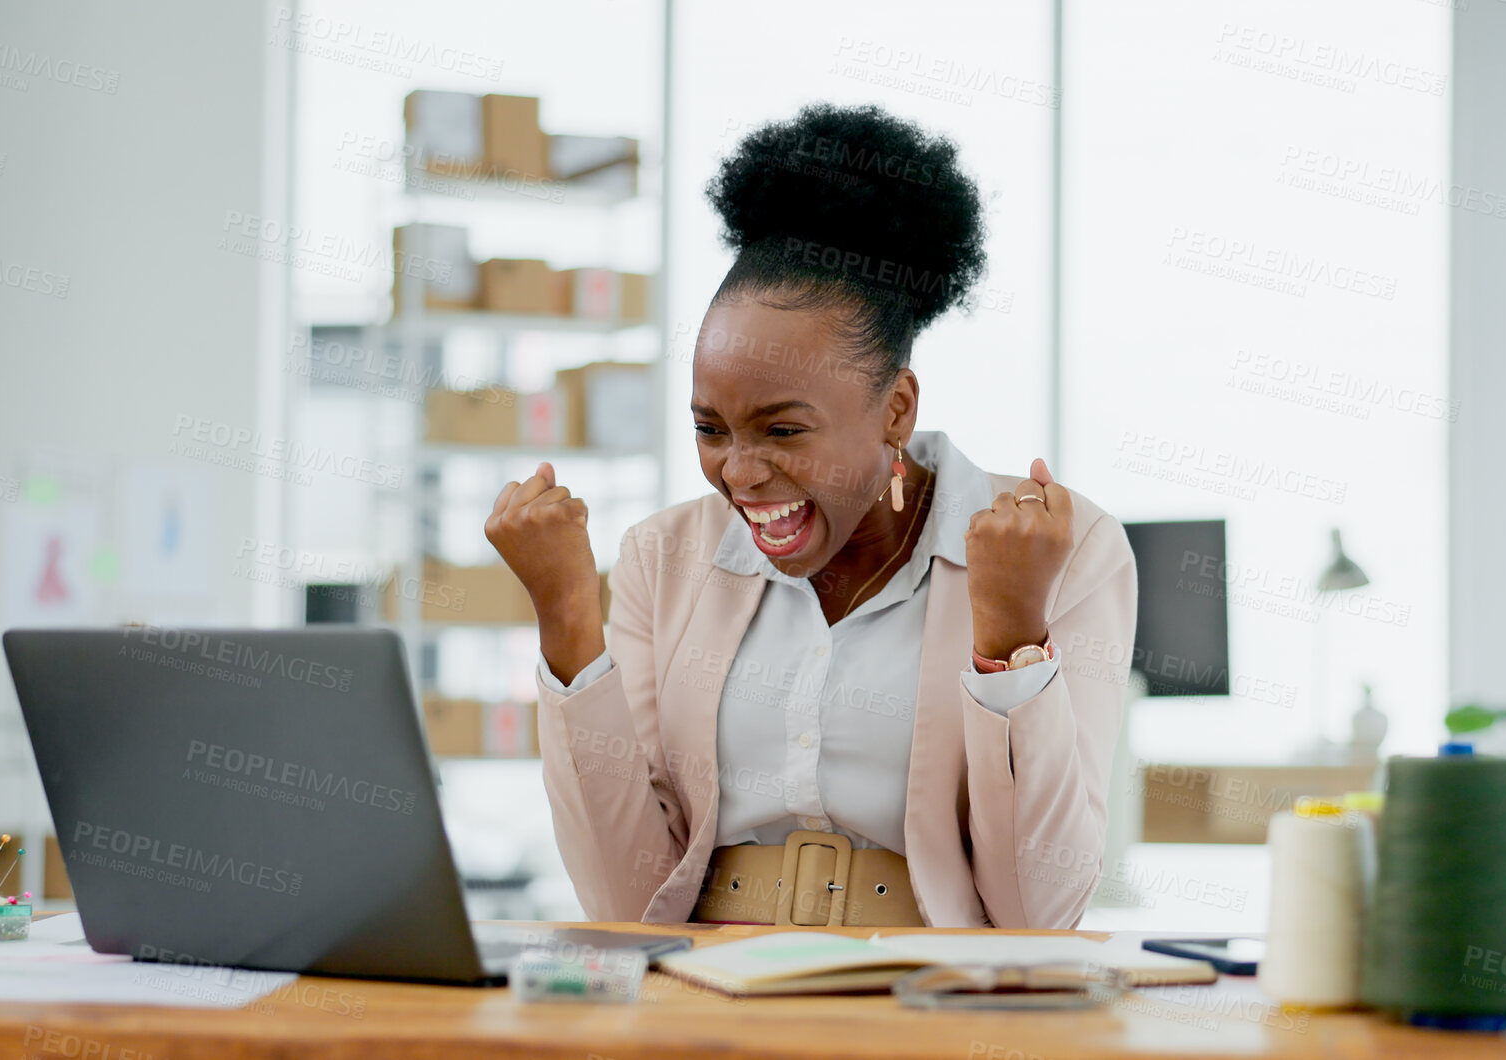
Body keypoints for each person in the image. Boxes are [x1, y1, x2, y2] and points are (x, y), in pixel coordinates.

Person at [485, 103, 1137, 930]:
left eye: (783, 430)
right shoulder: (663, 557)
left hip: (920, 1003)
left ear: (894, 409)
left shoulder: (1064, 549)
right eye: (709, 428)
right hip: (705, 997)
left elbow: (1039, 914)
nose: (741, 472)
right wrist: (567, 618)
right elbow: (622, 901)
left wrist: (1009, 633)